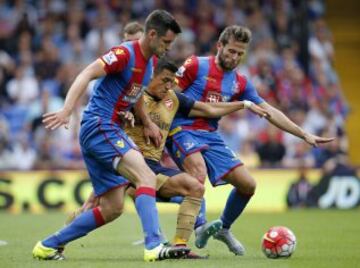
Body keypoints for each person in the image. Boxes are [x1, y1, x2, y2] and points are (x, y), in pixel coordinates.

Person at [65, 56, 270, 258]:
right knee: (97, 207)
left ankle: (180, 246)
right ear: (150, 77)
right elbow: (112, 119)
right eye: (165, 80)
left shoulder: (173, 99)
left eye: (172, 81)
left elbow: (208, 108)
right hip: (127, 165)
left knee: (195, 187)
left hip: (152, 168)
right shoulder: (134, 98)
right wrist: (126, 117)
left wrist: (244, 104)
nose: (169, 86)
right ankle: (58, 240)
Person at [32, 10, 186, 262]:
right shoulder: (125, 53)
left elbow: (133, 96)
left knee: (113, 207)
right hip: (99, 125)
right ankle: (154, 246)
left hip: (104, 131)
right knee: (145, 175)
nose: (168, 49)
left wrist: (146, 122)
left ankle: (48, 246)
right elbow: (86, 73)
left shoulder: (148, 65)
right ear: (152, 34)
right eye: (166, 42)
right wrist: (67, 109)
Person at [166, 25, 334, 255]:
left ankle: (223, 228)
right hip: (181, 128)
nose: (234, 57)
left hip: (211, 136)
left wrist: (304, 134)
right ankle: (200, 226)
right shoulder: (195, 65)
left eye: (240, 53)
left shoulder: (240, 83)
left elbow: (269, 111)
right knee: (198, 172)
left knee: (248, 185)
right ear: (219, 46)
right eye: (231, 51)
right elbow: (167, 93)